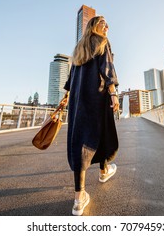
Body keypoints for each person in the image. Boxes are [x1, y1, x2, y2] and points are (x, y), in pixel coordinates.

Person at [61, 15, 119, 216]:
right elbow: (107, 68)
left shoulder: (80, 47)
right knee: (102, 133)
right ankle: (101, 174)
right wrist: (113, 93)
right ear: (94, 26)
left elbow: (72, 77)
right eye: (103, 23)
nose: (106, 26)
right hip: (97, 96)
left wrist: (68, 95)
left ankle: (79, 198)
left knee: (79, 140)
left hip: (78, 100)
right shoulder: (102, 42)